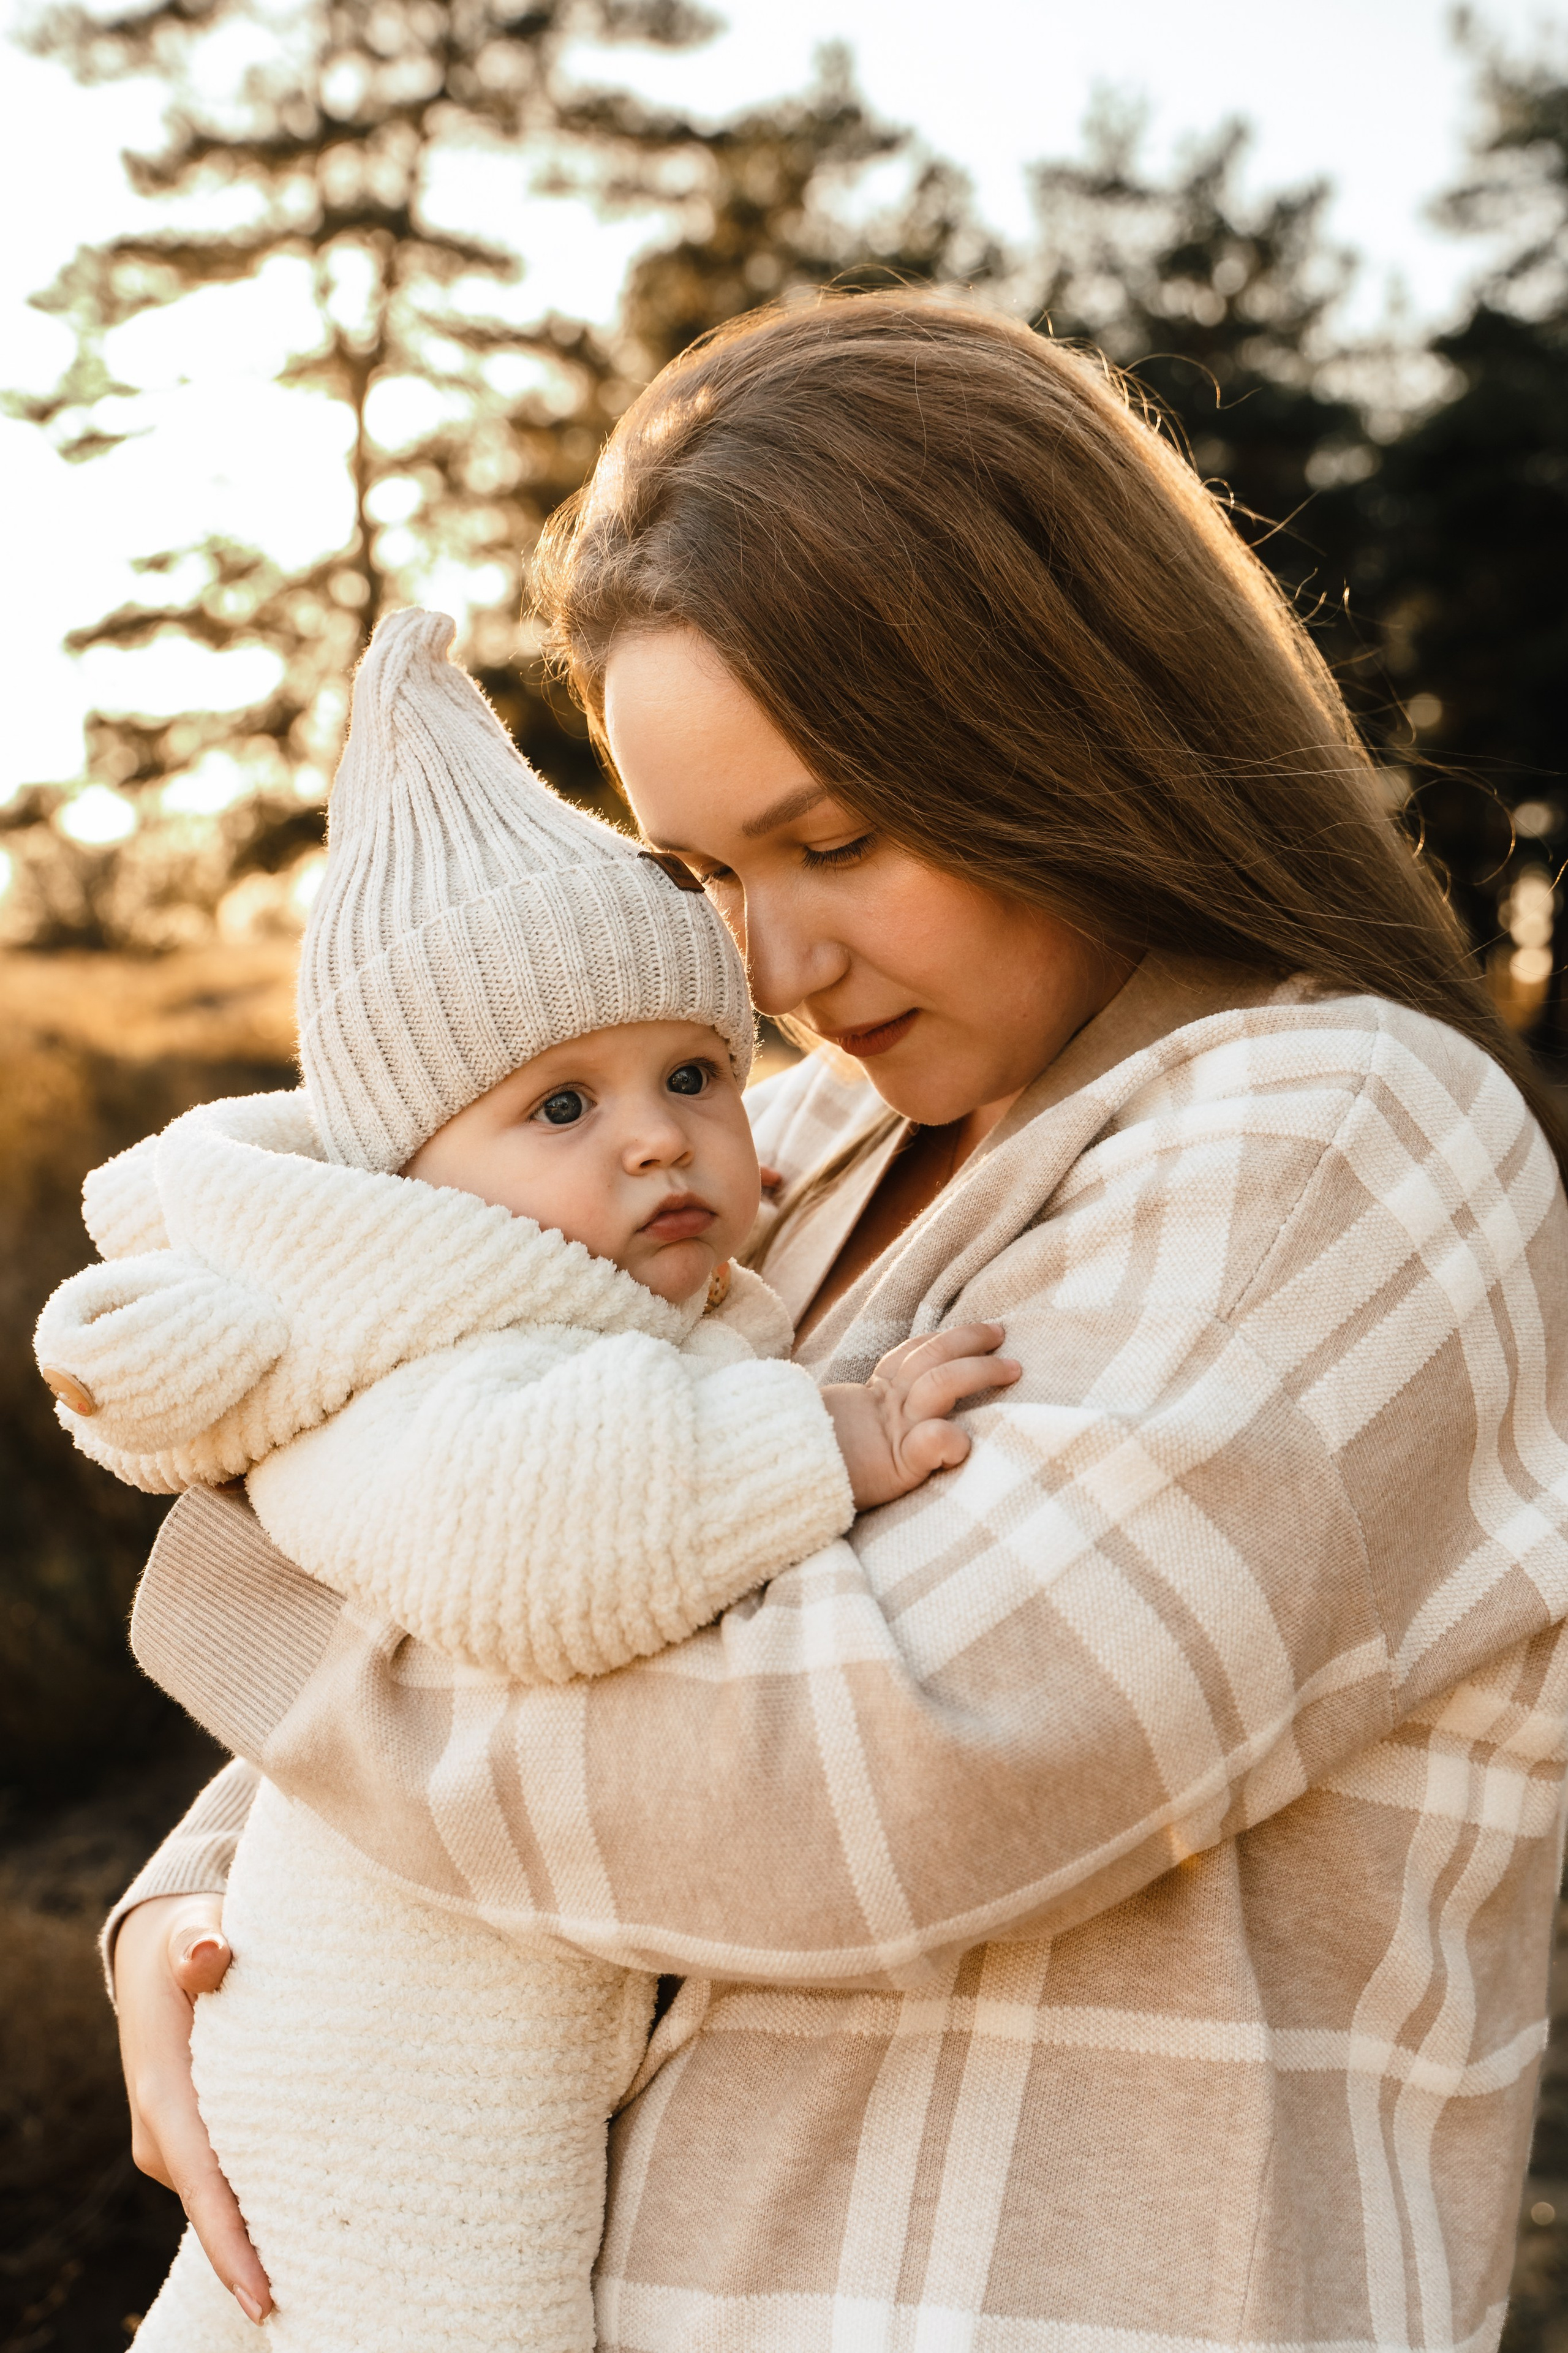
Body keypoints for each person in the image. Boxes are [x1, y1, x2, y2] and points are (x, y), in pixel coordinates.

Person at [108, 296, 1568, 2353]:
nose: (776, 966)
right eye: (709, 871)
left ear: (1077, 727)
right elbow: (474, 1498)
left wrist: (252, 1610)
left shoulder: (1342, 1136)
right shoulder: (774, 1140)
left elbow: (868, 1774)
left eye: (837, 841)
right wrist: (202, 1893)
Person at [40, 605, 1011, 2349]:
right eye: (559, 1107)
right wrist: (831, 1436)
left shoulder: (616, 1291)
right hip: (398, 2051)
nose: (654, 1136)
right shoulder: (430, 1357)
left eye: (694, 1074)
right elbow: (541, 1547)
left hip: (483, 1979)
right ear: (415, 1180)